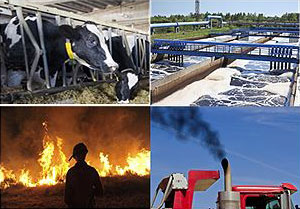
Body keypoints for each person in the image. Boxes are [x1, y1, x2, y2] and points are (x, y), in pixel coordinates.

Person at [64, 143, 103, 208]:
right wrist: (90, 192)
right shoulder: (92, 171)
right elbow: (100, 192)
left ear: (75, 157)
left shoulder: (71, 172)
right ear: (85, 155)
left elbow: (67, 199)